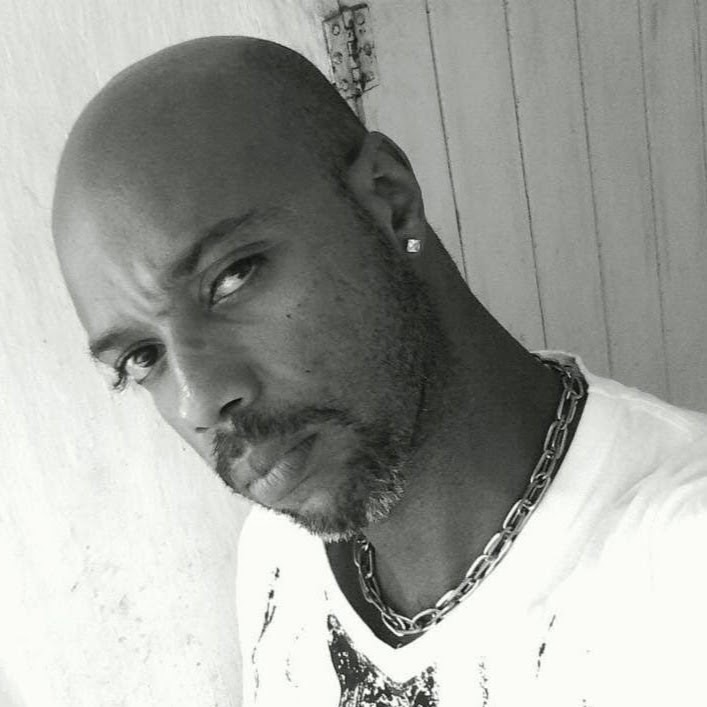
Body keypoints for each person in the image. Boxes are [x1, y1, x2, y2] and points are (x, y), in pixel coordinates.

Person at [52, 36, 707, 706]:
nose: (199, 401)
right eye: (143, 357)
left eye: (231, 278)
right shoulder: (277, 554)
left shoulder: (682, 579)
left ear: (389, 201)